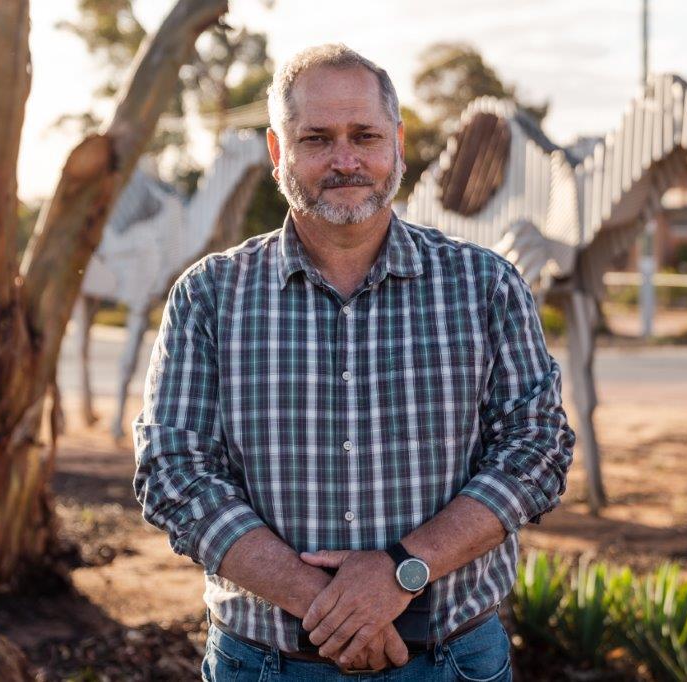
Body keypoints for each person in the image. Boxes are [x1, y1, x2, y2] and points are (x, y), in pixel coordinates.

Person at [133, 43, 574, 681]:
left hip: (452, 661)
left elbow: (537, 449)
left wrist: (403, 569)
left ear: (396, 141)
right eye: (316, 139)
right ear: (278, 152)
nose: (346, 161)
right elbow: (174, 474)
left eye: (364, 135)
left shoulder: (486, 286)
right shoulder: (208, 297)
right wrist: (331, 607)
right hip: (265, 665)